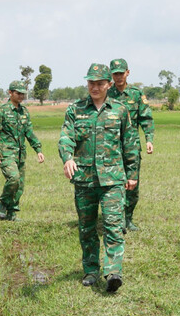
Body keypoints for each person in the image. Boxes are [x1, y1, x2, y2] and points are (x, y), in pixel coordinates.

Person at [58, 63, 139, 293]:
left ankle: (113, 271)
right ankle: (91, 270)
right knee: (87, 228)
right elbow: (66, 137)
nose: (95, 87)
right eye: (91, 82)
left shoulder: (120, 110)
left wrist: (132, 173)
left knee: (114, 225)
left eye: (100, 83)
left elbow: (130, 143)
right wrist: (67, 158)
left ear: (109, 85)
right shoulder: (75, 110)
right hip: (84, 179)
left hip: (113, 179)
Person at [107, 58, 155, 232]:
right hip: (110, 147)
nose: (118, 76)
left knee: (133, 185)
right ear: (111, 74)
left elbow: (146, 118)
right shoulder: (107, 94)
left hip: (132, 147)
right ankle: (116, 219)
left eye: (121, 73)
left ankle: (128, 218)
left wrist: (149, 139)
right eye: (115, 73)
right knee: (114, 184)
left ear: (128, 72)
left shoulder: (136, 94)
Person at [0, 80, 45, 220]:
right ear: (10, 93)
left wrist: (38, 149)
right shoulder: (0, 111)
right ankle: (3, 202)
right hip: (6, 152)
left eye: (23, 94)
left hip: (21, 153)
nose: (21, 96)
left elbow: (29, 132)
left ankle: (12, 213)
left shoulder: (24, 112)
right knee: (13, 178)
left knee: (19, 185)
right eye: (18, 93)